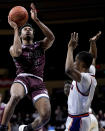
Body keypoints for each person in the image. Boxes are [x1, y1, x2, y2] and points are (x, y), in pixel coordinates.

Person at [0, 2, 55, 131]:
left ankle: (27, 129)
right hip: (23, 78)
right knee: (15, 96)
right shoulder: (14, 47)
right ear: (20, 35)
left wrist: (36, 20)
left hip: (38, 81)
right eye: (25, 29)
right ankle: (2, 127)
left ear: (34, 34)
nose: (28, 29)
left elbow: (51, 37)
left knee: (46, 115)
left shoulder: (40, 45)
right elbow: (18, 52)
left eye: (30, 29)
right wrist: (15, 29)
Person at [64, 31, 101, 131]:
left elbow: (68, 70)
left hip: (77, 119)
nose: (74, 63)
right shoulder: (91, 71)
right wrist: (92, 43)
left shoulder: (85, 78)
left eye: (76, 61)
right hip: (81, 117)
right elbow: (93, 56)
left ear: (83, 66)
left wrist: (70, 48)